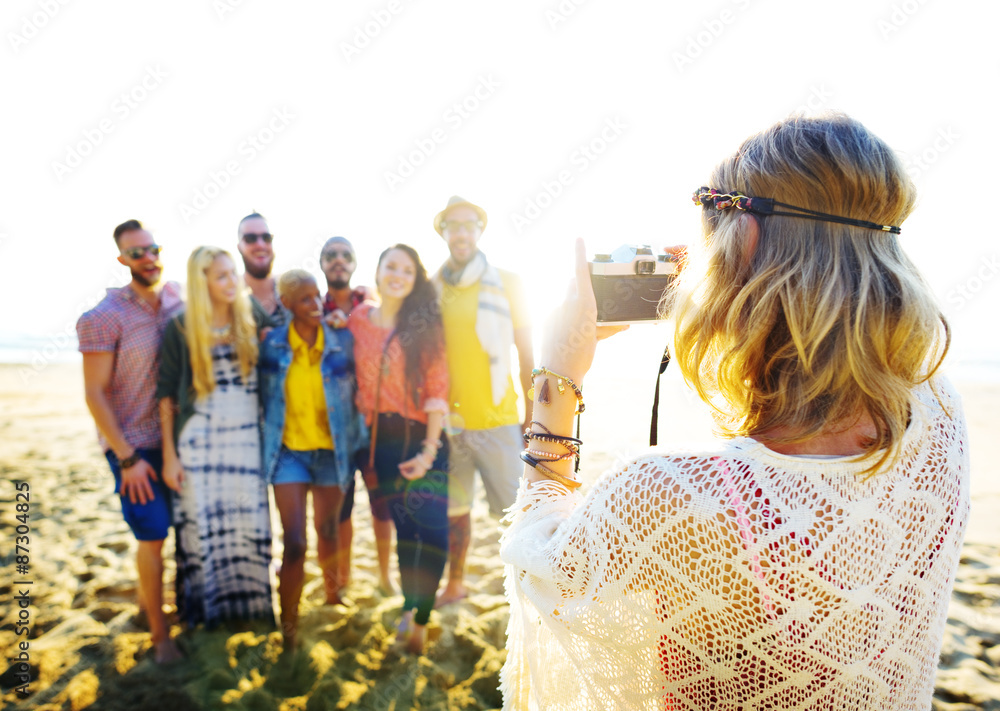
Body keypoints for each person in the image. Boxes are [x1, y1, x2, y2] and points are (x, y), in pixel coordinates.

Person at [500, 114, 970, 710]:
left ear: (743, 238)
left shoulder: (667, 494)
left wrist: (556, 377)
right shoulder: (935, 408)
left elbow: (541, 570)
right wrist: (741, 299)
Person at [76, 219, 184, 663]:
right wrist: (126, 459)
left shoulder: (178, 300)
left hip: (177, 442)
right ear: (122, 259)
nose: (149, 258)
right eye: (137, 252)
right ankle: (160, 637)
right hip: (132, 448)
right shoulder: (104, 317)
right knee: (153, 534)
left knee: (177, 533)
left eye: (153, 248)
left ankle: (150, 604)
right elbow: (94, 394)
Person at [156, 246, 274, 628]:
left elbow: (287, 328)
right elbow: (167, 397)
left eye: (232, 273)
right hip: (198, 443)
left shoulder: (249, 312)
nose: (231, 282)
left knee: (248, 528)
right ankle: (204, 619)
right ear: (201, 281)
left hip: (245, 442)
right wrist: (170, 457)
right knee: (202, 532)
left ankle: (249, 616)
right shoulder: (181, 327)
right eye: (221, 276)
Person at [430, 196, 534, 606]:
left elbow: (526, 352)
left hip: (499, 418)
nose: (460, 231)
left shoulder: (508, 282)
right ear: (443, 233)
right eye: (451, 225)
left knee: (517, 515)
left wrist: (532, 415)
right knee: (456, 512)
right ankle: (455, 583)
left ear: (479, 229)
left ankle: (530, 591)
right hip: (449, 424)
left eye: (468, 223)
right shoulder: (432, 287)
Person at [349, 244, 450, 653]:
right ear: (377, 271)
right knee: (407, 534)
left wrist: (428, 450)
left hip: (427, 437)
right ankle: (409, 609)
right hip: (384, 442)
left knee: (436, 536)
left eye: (407, 270)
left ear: (416, 279)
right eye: (391, 266)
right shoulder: (358, 321)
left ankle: (421, 621)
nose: (398, 275)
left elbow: (439, 388)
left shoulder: (426, 325)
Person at [259, 269, 361, 650]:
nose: (316, 305)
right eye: (305, 299)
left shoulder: (340, 342)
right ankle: (289, 627)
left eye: (317, 296)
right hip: (288, 455)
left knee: (329, 531)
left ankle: (333, 596)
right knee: (296, 542)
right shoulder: (271, 346)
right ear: (285, 303)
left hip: (331, 453)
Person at [319, 236, 395, 598]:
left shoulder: (368, 305)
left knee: (382, 506)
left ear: (353, 264)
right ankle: (344, 579)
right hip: (335, 431)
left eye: (345, 256)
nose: (338, 261)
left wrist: (345, 320)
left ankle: (384, 577)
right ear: (322, 263)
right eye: (330, 255)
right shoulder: (314, 308)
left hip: (374, 426)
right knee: (342, 510)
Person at [237, 211, 288, 326]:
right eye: (250, 238)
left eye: (266, 237)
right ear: (239, 247)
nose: (260, 244)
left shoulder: (294, 290)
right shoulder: (227, 296)